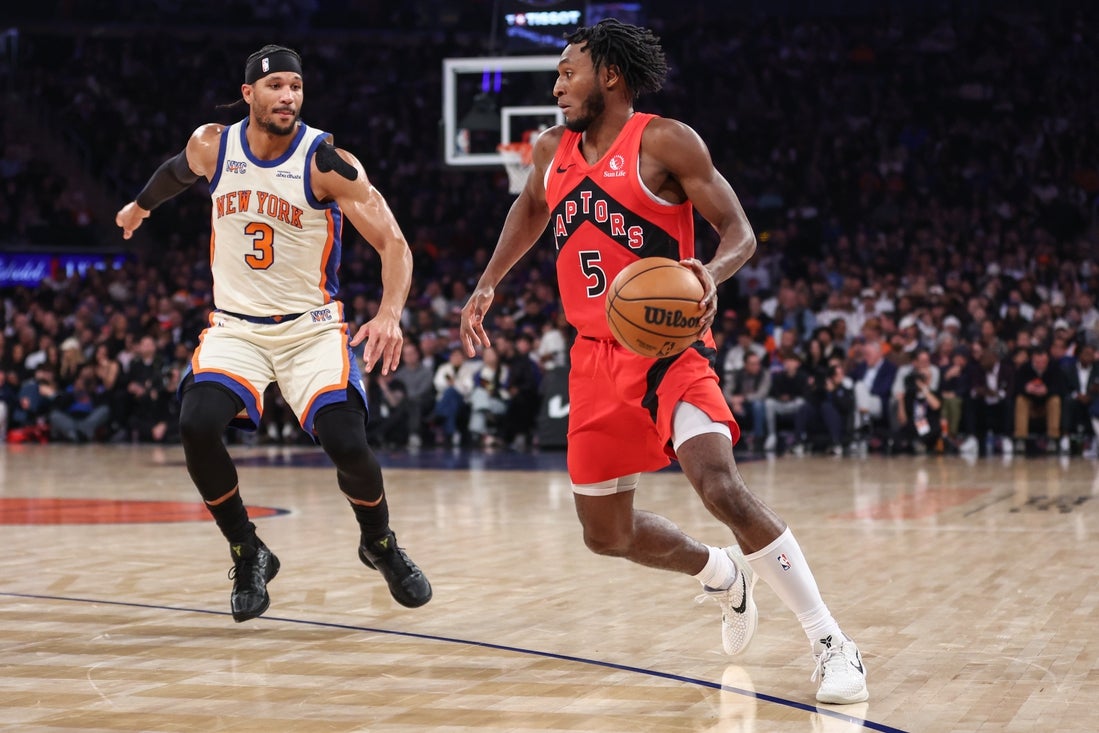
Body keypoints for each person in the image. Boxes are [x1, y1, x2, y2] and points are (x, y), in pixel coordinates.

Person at [458, 19, 867, 704]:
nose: (556, 86)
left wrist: (710, 272)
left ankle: (831, 641)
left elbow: (738, 232)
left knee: (719, 485)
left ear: (609, 75)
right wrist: (488, 282)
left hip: (666, 349)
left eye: (567, 73)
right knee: (605, 535)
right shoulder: (550, 150)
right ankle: (721, 574)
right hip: (591, 357)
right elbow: (529, 209)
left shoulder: (665, 141)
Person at [115, 44, 431, 621]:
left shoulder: (327, 162)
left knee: (347, 443)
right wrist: (140, 207)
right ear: (249, 94)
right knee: (196, 425)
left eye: (296, 86)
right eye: (276, 86)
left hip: (311, 329)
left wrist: (390, 313)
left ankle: (379, 542)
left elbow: (394, 244)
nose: (288, 96)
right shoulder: (213, 145)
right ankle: (248, 549)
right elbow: (174, 174)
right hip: (236, 328)